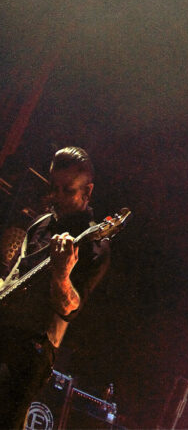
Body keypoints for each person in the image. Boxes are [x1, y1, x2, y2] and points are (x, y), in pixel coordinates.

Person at [0, 147, 111, 428]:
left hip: (30, 351)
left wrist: (62, 275)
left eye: (68, 190)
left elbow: (70, 308)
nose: (57, 196)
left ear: (87, 192)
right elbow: (13, 275)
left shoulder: (94, 245)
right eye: (54, 188)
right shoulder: (41, 223)